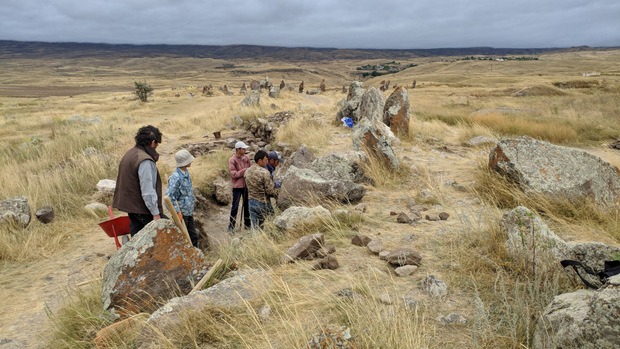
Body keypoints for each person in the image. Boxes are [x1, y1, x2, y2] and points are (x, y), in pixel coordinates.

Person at [113, 125, 167, 237]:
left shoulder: (130, 153)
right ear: (153, 142)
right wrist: (156, 213)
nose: (156, 147)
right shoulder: (145, 161)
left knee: (137, 235)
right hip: (142, 208)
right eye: (157, 144)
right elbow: (147, 190)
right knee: (167, 232)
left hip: (131, 207)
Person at [165, 149, 199, 247]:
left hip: (188, 212)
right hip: (182, 214)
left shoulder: (185, 173)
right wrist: (177, 213)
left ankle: (196, 259)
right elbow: (168, 198)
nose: (191, 162)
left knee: (193, 237)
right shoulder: (176, 178)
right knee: (185, 239)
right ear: (185, 162)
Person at [245, 150, 279, 229]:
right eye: (266, 160)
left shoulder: (247, 171)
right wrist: (277, 194)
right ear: (260, 160)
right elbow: (269, 191)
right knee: (273, 223)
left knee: (256, 227)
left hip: (251, 202)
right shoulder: (265, 173)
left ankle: (257, 241)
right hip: (263, 202)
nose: (267, 162)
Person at [228, 141, 251, 232]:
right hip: (237, 187)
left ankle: (247, 224)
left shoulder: (246, 158)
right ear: (238, 149)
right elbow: (233, 174)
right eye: (243, 148)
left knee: (247, 206)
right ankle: (231, 226)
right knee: (235, 207)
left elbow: (250, 169)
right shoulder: (232, 160)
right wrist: (244, 170)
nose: (245, 150)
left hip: (246, 185)